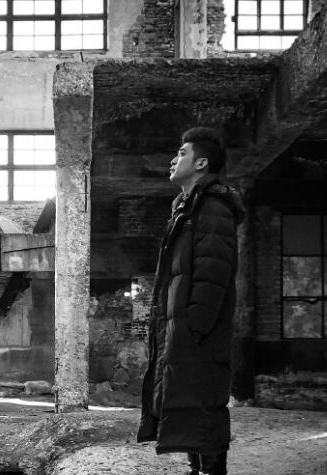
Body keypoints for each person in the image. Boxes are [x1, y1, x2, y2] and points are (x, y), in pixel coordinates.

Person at [137, 127, 245, 475]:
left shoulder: (213, 208)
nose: (173, 159)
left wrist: (194, 326)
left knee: (204, 404)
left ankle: (211, 472)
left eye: (181, 153)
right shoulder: (187, 208)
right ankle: (196, 470)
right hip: (182, 329)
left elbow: (214, 273)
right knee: (186, 403)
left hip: (197, 332)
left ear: (201, 163)